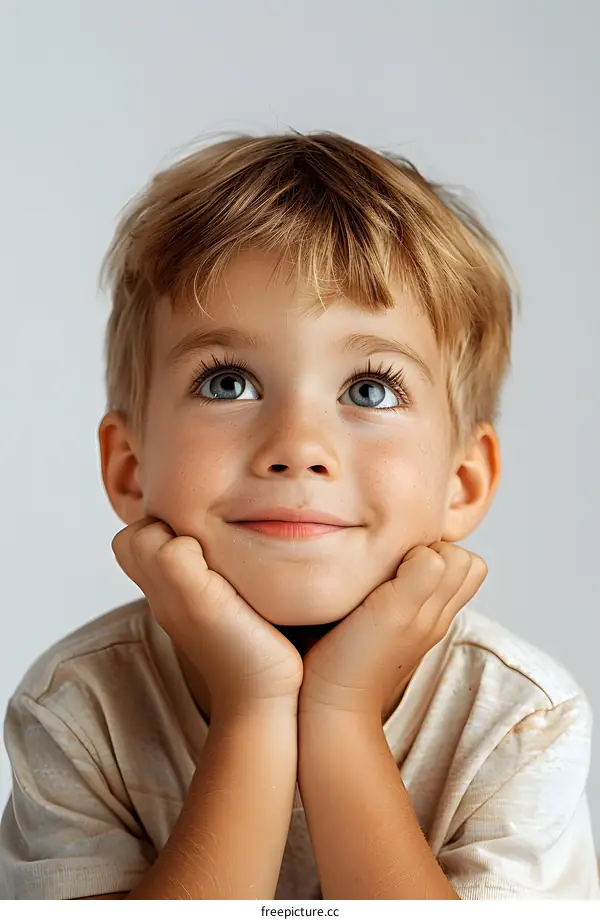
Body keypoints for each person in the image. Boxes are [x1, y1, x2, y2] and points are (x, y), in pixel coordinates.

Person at [0, 130, 597, 901]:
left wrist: (340, 716)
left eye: (370, 390)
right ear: (129, 465)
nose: (297, 448)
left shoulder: (517, 721)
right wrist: (254, 707)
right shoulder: (79, 709)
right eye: (227, 382)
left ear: (464, 481)